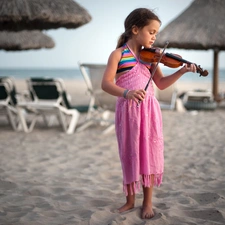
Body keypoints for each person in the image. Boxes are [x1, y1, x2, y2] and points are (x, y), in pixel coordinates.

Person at [101, 8, 196, 219]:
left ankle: (148, 202)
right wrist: (126, 93)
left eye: (156, 33)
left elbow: (161, 84)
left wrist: (180, 70)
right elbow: (106, 84)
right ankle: (129, 200)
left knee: (149, 154)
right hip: (127, 112)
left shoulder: (152, 58)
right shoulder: (118, 54)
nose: (154, 37)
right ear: (135, 29)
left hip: (149, 112)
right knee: (129, 153)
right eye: (151, 31)